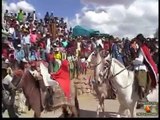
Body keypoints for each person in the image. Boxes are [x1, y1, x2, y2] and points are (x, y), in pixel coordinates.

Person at [132, 34, 158, 100]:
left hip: (147, 67)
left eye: (137, 41)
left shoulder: (142, 48)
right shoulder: (145, 46)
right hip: (149, 65)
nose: (137, 42)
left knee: (140, 80)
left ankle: (142, 95)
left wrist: (133, 62)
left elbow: (140, 60)